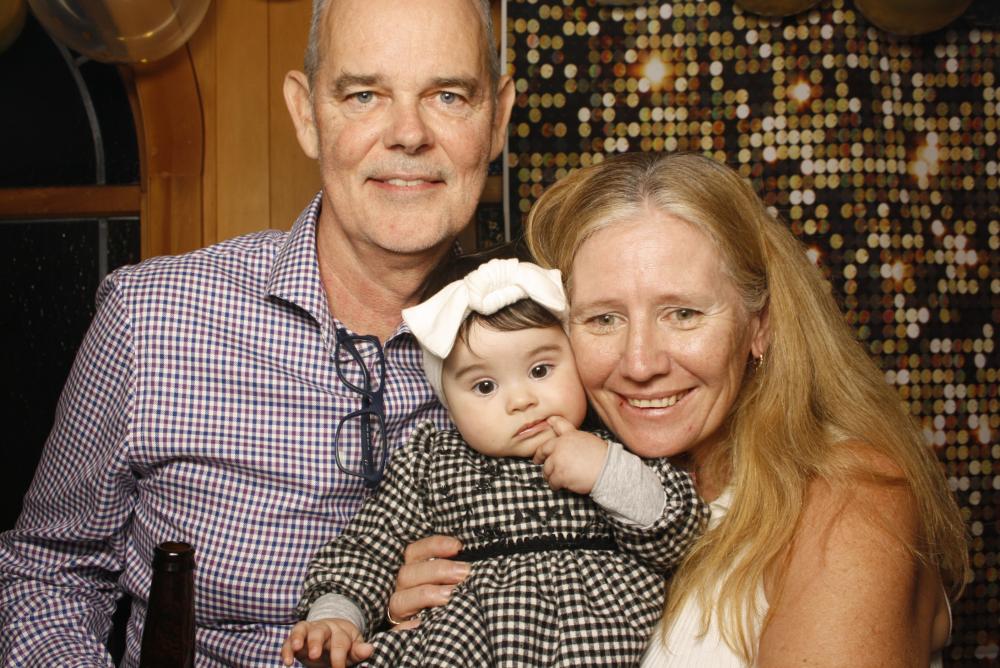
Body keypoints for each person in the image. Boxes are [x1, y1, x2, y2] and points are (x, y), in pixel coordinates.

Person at [0, 0, 513, 665]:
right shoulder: (152, 316)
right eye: (364, 95)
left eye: (448, 96)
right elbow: (45, 573)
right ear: (307, 114)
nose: (408, 135)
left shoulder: (554, 343)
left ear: (497, 118)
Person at [391, 152, 969, 665]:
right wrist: (450, 612)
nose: (641, 363)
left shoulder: (850, 497)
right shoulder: (569, 486)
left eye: (684, 314)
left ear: (759, 326)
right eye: (603, 319)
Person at [280, 256, 708, 667]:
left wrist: (606, 472)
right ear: (448, 403)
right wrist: (336, 618)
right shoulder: (431, 462)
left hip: (595, 640)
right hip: (466, 641)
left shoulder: (612, 445)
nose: (521, 400)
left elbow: (679, 536)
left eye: (540, 370)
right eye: (484, 386)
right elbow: (368, 549)